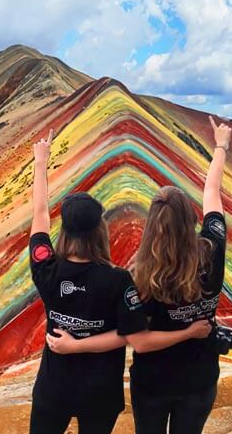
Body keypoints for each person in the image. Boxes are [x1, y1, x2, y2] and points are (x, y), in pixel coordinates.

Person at [53, 116, 232, 434]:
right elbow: (213, 195)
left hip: (152, 383)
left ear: (150, 227)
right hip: (199, 379)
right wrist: (220, 146)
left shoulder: (135, 278)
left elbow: (140, 342)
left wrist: (76, 346)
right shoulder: (212, 252)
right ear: (190, 221)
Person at [27, 128, 155, 434]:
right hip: (100, 392)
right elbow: (128, 334)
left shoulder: (47, 269)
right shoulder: (118, 279)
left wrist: (40, 163)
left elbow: (40, 213)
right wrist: (80, 345)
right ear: (101, 229)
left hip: (53, 389)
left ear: (66, 231)